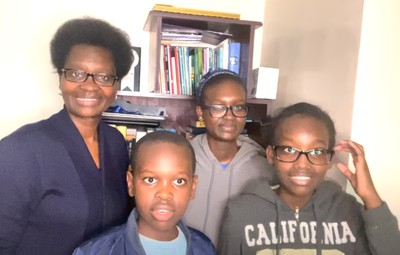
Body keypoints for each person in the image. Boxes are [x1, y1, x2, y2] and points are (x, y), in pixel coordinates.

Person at [0, 17, 134, 255]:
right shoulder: (19, 151)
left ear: (116, 87)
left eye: (103, 77)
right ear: (61, 80)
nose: (89, 86)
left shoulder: (116, 144)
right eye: (76, 73)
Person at [218, 102, 400, 254]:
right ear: (271, 155)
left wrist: (371, 197)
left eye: (316, 151)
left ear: (329, 159)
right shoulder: (241, 212)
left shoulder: (348, 211)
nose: (303, 165)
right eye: (289, 150)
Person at [72, 131, 216, 255]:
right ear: (131, 184)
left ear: (193, 187)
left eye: (179, 181)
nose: (164, 194)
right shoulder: (95, 252)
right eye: (150, 179)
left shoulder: (205, 248)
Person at [183, 69, 276, 246]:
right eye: (218, 107)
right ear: (200, 112)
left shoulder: (265, 169)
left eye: (238, 107)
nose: (230, 117)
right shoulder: (181, 159)